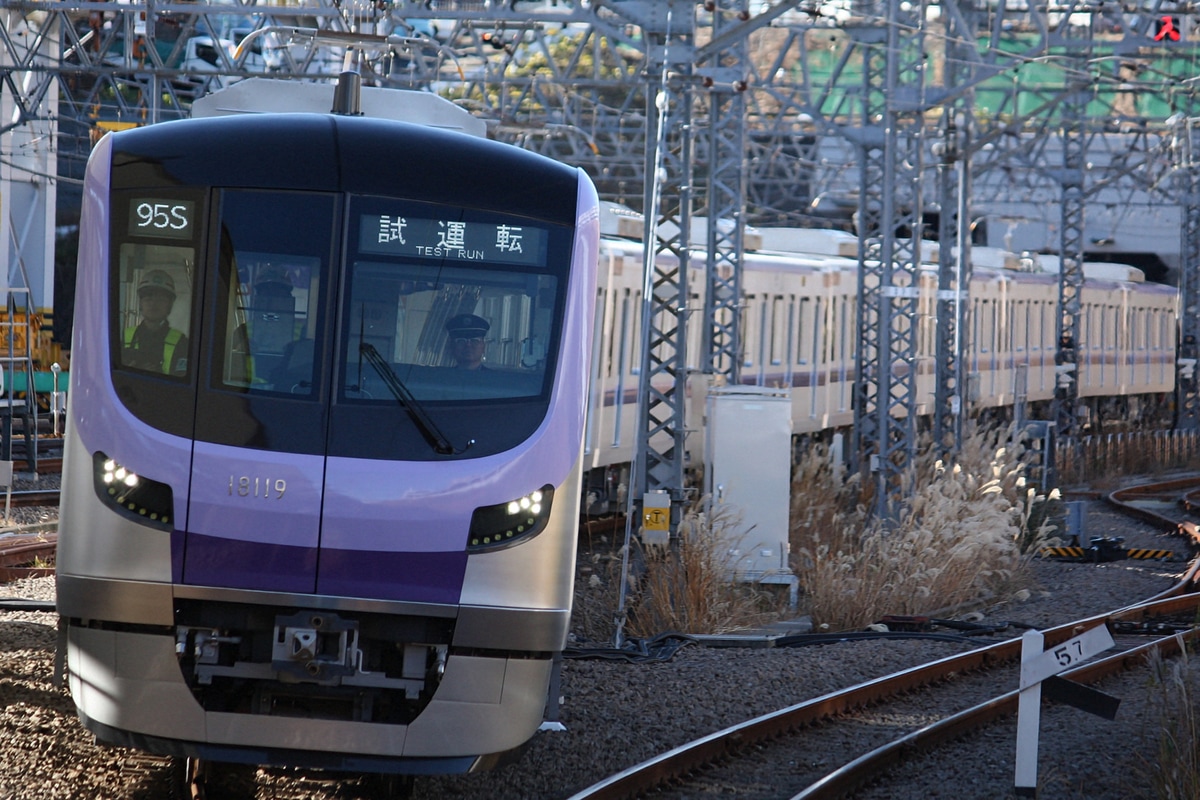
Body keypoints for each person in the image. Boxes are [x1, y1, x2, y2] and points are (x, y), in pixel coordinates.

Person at [123, 269, 189, 376]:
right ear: (140, 303)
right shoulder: (123, 338)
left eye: (161, 299)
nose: (153, 304)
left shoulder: (182, 344)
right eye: (148, 298)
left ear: (170, 305)